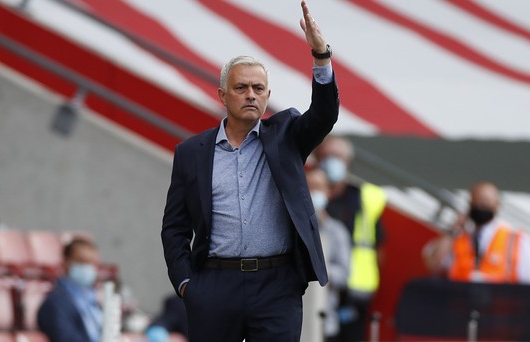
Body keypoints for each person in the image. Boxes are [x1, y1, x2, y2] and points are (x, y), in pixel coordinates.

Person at [160, 1, 339, 340]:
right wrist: (186, 284)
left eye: (258, 89)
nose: (251, 95)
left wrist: (321, 57)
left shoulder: (287, 136)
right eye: (241, 88)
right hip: (213, 284)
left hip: (277, 285)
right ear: (222, 95)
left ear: (267, 95)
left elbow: (325, 114)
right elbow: (174, 228)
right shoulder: (190, 153)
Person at [314, 135, 387, 342]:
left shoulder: (365, 197)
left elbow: (379, 246)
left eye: (337, 157)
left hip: (356, 291)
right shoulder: (310, 193)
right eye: (326, 156)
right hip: (320, 289)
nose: (331, 161)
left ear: (348, 162)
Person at [423, 181, 530, 285]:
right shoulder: (458, 238)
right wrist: (452, 231)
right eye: (477, 202)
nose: (481, 206)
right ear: (470, 204)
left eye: (486, 202)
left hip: (501, 311)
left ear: (497, 205)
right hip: (461, 308)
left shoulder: (515, 239)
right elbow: (433, 265)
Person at [304, 168, 351, 342]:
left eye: (318, 187)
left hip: (325, 318)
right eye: (309, 186)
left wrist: (316, 270)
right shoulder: (289, 227)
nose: (313, 191)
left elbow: (344, 274)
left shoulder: (337, 232)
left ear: (328, 192)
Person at [38, 237, 103, 342]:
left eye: (91, 263)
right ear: (66, 263)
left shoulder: (93, 300)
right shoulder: (55, 303)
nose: (87, 268)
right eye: (81, 262)